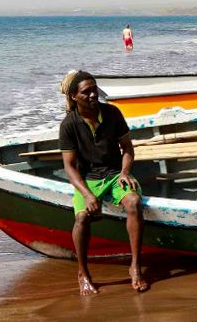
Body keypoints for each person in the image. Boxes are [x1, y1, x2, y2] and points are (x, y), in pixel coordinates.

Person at [59, 71, 148, 295]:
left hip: (115, 174)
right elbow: (70, 167)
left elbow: (127, 148)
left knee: (134, 202)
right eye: (86, 92)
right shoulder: (69, 124)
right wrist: (88, 195)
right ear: (73, 97)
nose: (92, 95)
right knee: (81, 218)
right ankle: (83, 273)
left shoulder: (111, 113)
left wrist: (125, 172)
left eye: (94, 89)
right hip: (88, 179)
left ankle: (135, 267)